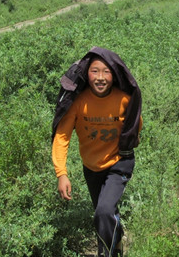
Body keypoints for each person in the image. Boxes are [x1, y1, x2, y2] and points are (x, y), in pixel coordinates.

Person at [51, 47, 142, 257]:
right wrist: (61, 173)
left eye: (106, 72)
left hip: (119, 163)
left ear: (114, 75)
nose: (100, 78)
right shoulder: (78, 103)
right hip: (91, 167)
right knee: (104, 213)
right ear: (86, 74)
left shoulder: (124, 100)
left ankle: (106, 253)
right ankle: (117, 240)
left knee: (103, 211)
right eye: (94, 71)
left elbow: (135, 127)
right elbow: (62, 137)